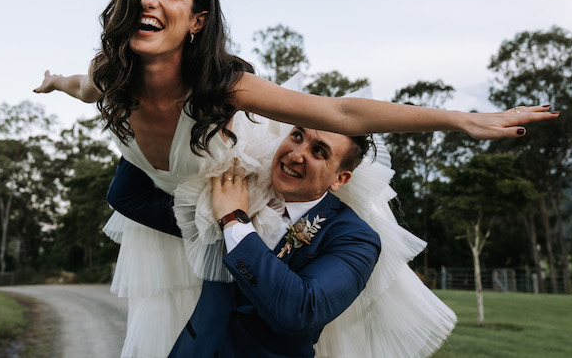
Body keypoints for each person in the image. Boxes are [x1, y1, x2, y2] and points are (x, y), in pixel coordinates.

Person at [34, 0, 557, 356]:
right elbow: (88, 88)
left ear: (197, 21)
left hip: (241, 215)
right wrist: (56, 81)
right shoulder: (115, 78)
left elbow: (341, 113)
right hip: (189, 262)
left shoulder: (223, 91)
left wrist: (460, 120)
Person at [109, 126, 382, 358]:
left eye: (319, 151)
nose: (296, 154)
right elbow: (129, 197)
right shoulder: (237, 184)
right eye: (297, 136)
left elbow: (300, 311)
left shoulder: (355, 238)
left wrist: (233, 221)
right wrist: (151, 122)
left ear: (340, 179)